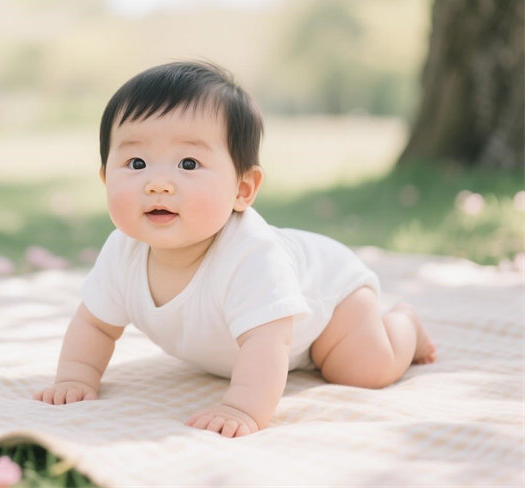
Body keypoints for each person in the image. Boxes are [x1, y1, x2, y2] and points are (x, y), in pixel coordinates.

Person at [33, 61, 436, 438]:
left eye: (188, 164)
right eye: (136, 163)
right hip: (265, 339)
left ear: (242, 190)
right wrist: (75, 377)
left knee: (365, 369)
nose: (158, 183)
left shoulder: (252, 256)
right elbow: (95, 324)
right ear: (106, 179)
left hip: (332, 301)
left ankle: (404, 325)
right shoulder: (123, 250)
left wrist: (243, 407)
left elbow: (269, 343)